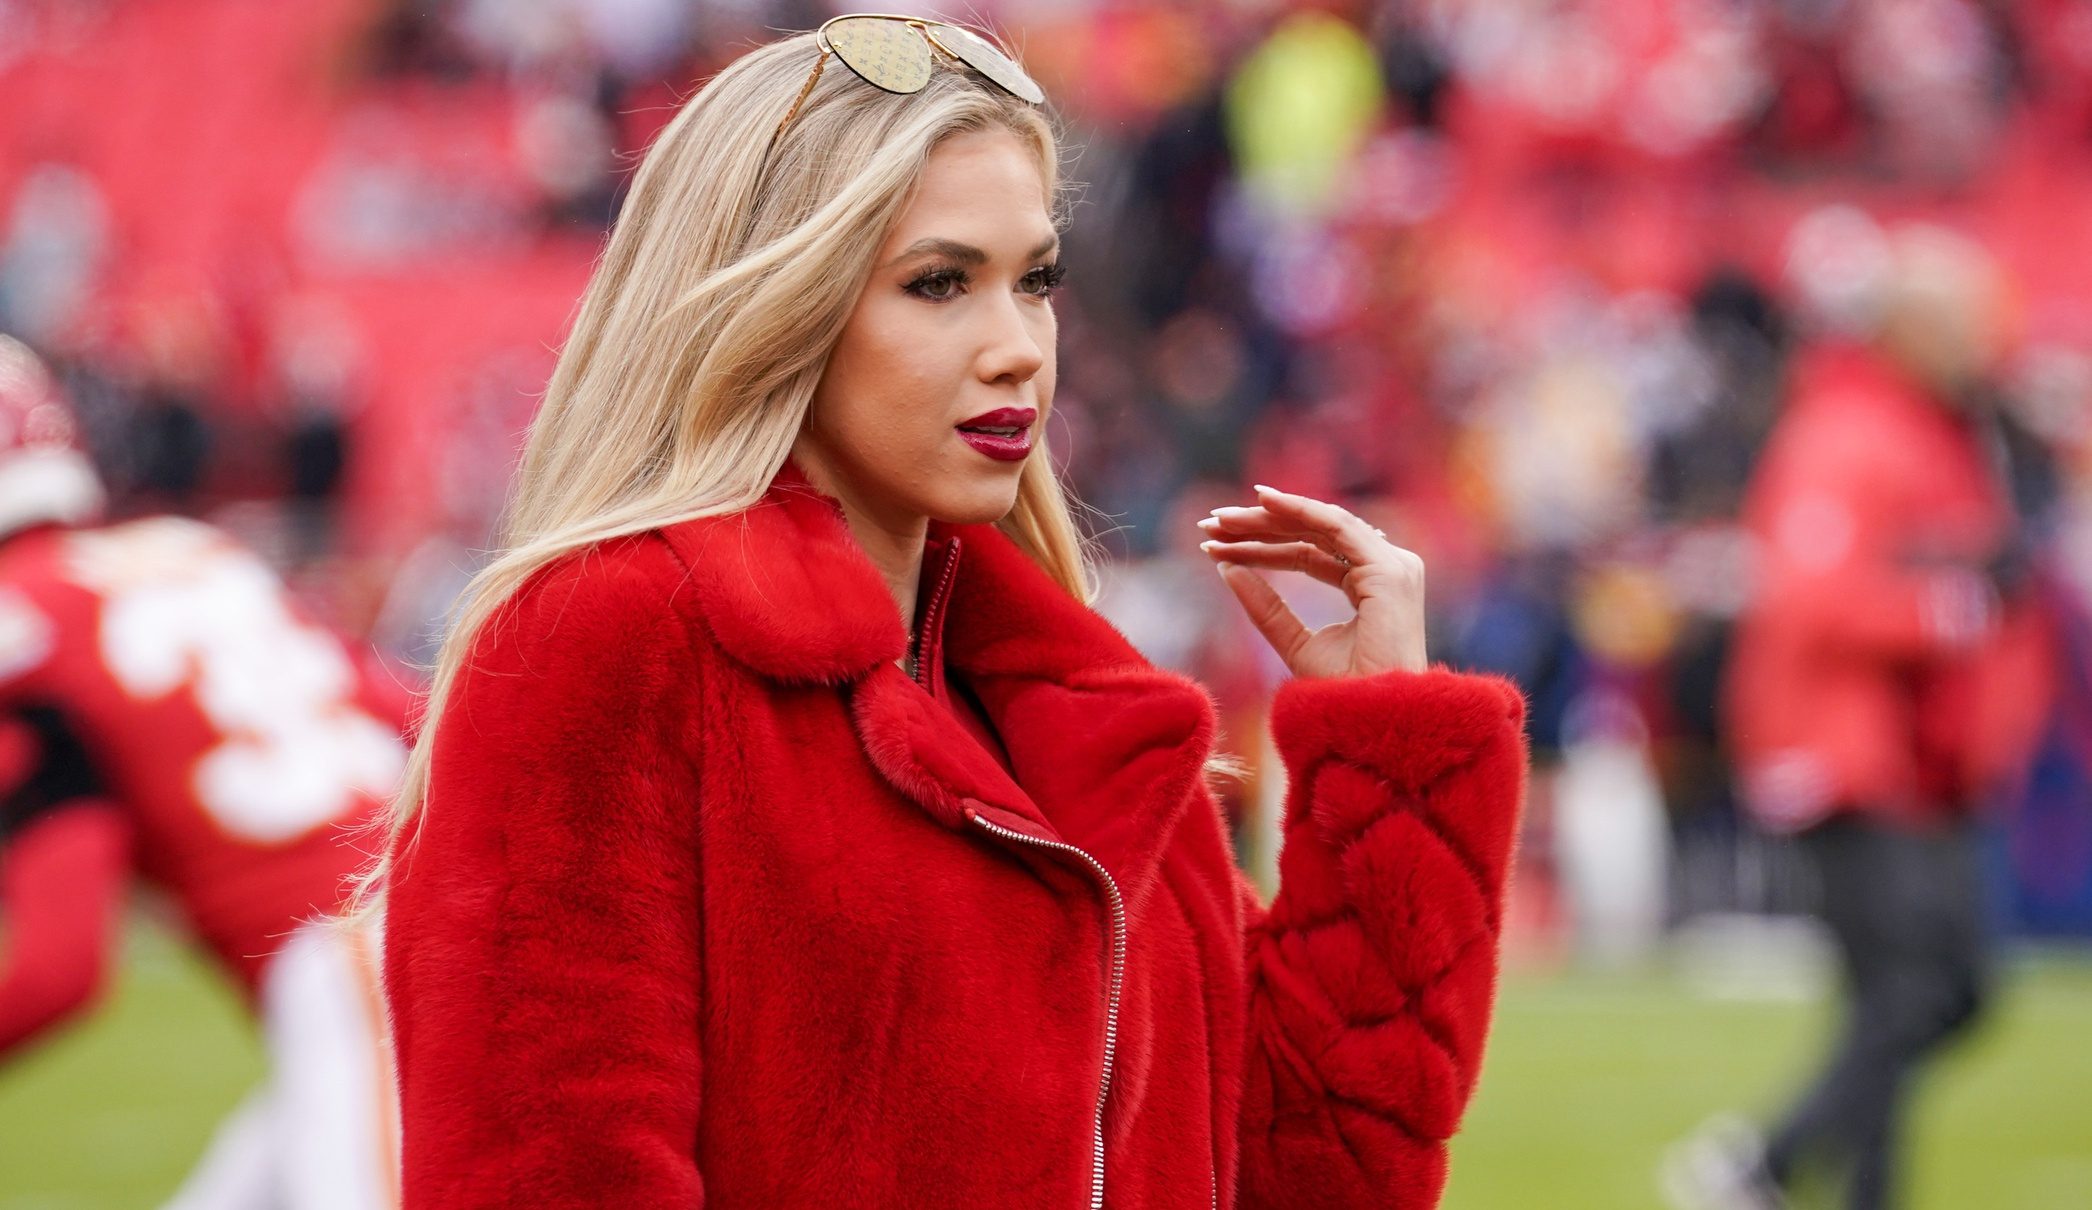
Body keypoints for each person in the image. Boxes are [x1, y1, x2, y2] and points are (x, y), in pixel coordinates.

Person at [361, 15, 1530, 1208]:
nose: (1018, 347)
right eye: (938, 284)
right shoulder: (609, 639)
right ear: (777, 302)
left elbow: (1314, 1173)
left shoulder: (1083, 711)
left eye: (1035, 281)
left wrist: (1381, 742)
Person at [1666, 223, 2054, 1210]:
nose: (1983, 340)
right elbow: (1812, 597)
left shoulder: (1938, 430)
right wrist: (1956, 605)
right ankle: (1762, 1163)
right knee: (1917, 988)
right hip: (1840, 749)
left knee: (1915, 993)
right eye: (1963, 320)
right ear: (1909, 327)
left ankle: (1847, 1187)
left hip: (1914, 756)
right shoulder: (1847, 432)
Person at [0, 334, 409, 1210]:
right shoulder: (192, 549)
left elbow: (60, 963)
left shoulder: (23, 630)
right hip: (417, 915)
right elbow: (407, 711)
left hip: (358, 962)